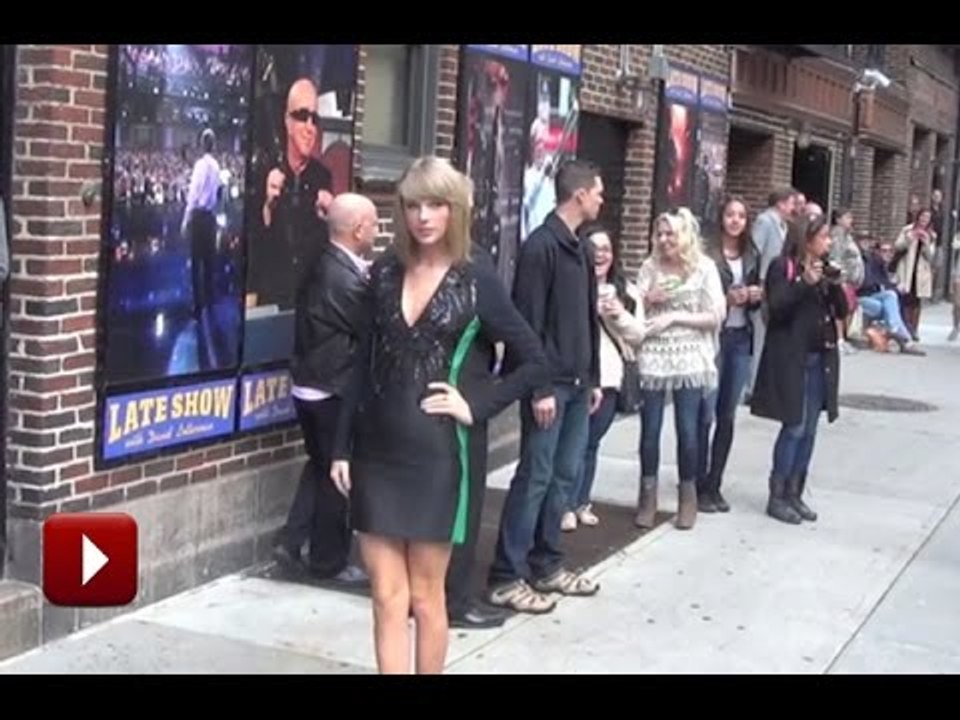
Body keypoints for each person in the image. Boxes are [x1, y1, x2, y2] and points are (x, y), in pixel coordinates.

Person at [329, 157, 547, 674]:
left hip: (439, 458)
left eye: (436, 205)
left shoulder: (477, 280)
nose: (423, 216)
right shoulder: (383, 273)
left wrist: (476, 405)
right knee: (386, 596)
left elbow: (535, 360)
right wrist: (340, 446)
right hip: (376, 452)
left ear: (456, 210)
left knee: (427, 598)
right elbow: (359, 363)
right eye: (412, 205)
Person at [487, 159, 605, 615]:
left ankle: (546, 563)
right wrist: (537, 389)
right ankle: (505, 574)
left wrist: (592, 377)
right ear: (578, 195)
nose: (601, 199)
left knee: (563, 476)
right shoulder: (542, 247)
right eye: (598, 192)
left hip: (577, 385)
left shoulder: (579, 247)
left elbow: (587, 321)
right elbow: (527, 324)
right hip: (549, 387)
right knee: (534, 477)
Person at [272, 193, 377, 588]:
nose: (376, 231)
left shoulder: (328, 262)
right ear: (358, 229)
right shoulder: (341, 277)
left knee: (319, 465)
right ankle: (327, 560)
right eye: (372, 224)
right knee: (337, 471)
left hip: (311, 384)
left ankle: (292, 539)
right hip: (332, 388)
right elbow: (371, 325)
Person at [631, 208, 725, 531]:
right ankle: (647, 496)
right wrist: (646, 297)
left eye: (670, 233)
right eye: (660, 233)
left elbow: (716, 315)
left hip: (690, 353)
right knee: (649, 430)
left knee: (688, 429)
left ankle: (688, 495)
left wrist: (675, 317)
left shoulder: (704, 268)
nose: (664, 239)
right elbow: (633, 311)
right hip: (654, 353)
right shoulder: (649, 267)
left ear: (684, 235)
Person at [751, 213, 848, 525]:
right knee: (793, 426)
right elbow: (776, 307)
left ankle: (795, 492)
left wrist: (834, 285)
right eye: (823, 237)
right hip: (792, 358)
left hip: (820, 358)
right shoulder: (784, 267)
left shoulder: (824, 270)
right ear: (808, 239)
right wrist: (804, 284)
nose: (828, 242)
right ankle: (777, 495)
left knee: (809, 430)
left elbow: (841, 311)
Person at [562, 222, 647, 532]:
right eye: (594, 248)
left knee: (592, 443)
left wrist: (617, 314)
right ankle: (565, 505)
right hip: (579, 376)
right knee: (576, 442)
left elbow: (639, 335)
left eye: (606, 249)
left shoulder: (625, 290)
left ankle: (582, 501)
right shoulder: (570, 284)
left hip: (610, 378)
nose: (600, 255)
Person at [698, 196, 762, 513]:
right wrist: (727, 298)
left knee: (727, 415)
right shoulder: (707, 253)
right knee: (705, 413)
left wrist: (754, 296)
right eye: (730, 215)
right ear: (721, 218)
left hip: (740, 338)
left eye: (741, 215)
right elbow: (698, 295)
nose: (735, 220)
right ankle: (696, 482)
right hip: (713, 338)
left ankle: (715, 483)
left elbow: (762, 296)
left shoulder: (752, 254)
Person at [248, 78, 334, 310]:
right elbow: (253, 246)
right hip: (271, 303)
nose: (309, 128)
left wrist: (333, 218)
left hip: (309, 306)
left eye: (314, 119)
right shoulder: (263, 173)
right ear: (286, 121)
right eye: (302, 116)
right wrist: (267, 207)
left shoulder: (322, 177)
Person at [180, 128, 223, 370]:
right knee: (209, 262)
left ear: (201, 143)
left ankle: (198, 306)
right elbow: (216, 194)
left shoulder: (199, 166)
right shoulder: (216, 166)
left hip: (198, 217)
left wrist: (185, 220)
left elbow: (193, 195)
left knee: (196, 261)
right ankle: (210, 300)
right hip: (210, 217)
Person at [747, 188, 795, 398]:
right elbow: (755, 251)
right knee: (759, 337)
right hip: (764, 284)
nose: (793, 209)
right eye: (791, 204)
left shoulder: (783, 225)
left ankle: (762, 383)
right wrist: (758, 281)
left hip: (776, 285)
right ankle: (752, 387)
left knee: (767, 337)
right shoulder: (765, 222)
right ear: (781, 203)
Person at [856, 236, 925, 355]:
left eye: (890, 251)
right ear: (876, 251)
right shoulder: (870, 262)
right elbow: (868, 284)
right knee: (889, 297)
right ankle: (902, 336)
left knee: (885, 304)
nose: (887, 254)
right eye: (884, 250)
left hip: (875, 299)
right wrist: (893, 287)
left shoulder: (884, 265)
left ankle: (900, 335)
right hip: (862, 298)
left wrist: (892, 285)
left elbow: (884, 285)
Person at [893, 208, 936, 341]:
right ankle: (905, 328)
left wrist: (926, 243)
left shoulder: (931, 235)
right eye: (923, 217)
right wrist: (909, 238)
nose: (924, 220)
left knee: (917, 301)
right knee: (906, 298)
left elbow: (930, 257)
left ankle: (914, 329)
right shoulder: (907, 230)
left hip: (921, 272)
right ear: (918, 217)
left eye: (927, 218)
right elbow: (898, 246)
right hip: (907, 269)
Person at [828, 207, 864, 356]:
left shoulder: (847, 235)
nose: (851, 220)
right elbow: (835, 257)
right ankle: (839, 340)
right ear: (838, 219)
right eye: (847, 217)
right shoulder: (837, 235)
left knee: (847, 309)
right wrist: (840, 278)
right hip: (843, 280)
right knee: (841, 310)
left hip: (850, 281)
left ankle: (843, 338)